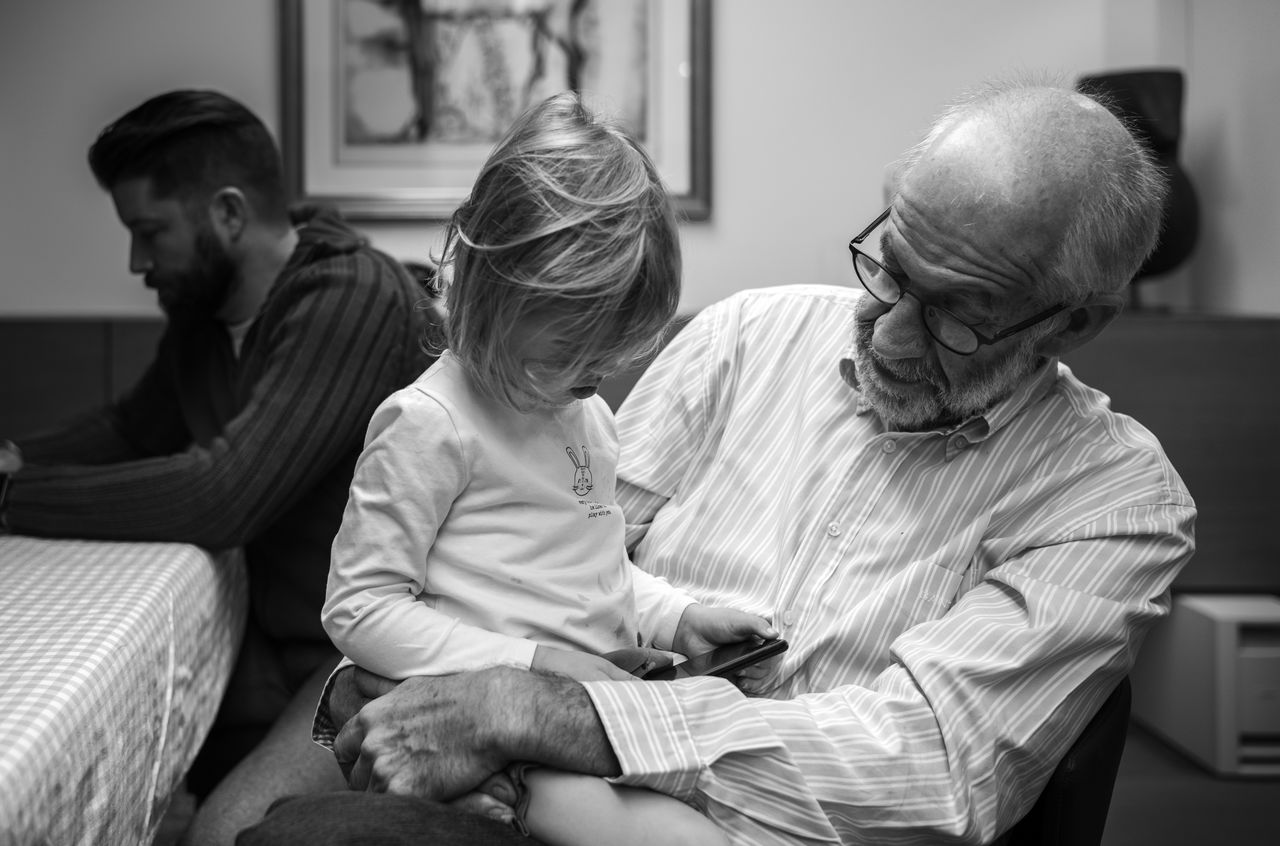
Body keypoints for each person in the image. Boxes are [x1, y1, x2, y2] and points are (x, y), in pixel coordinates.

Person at [239, 79, 1197, 845]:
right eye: (890, 269)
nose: (894, 337)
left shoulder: (1112, 501)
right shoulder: (748, 335)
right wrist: (599, 650)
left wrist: (553, 711)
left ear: (1078, 320)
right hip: (532, 758)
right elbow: (565, 556)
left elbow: (935, 767)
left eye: (958, 314)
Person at [321, 91, 772, 846]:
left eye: (614, 355)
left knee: (712, 798)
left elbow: (591, 561)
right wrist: (535, 663)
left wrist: (678, 616)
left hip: (584, 712)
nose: (597, 379)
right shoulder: (429, 424)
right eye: (573, 354)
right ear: (493, 296)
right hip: (482, 726)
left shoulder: (583, 413)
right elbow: (360, 611)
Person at [0, 90, 430, 844]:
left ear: (228, 213)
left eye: (149, 232)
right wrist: (17, 456)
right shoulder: (207, 320)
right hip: (278, 639)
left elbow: (223, 493)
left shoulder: (351, 296)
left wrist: (11, 494)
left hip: (378, 648)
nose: (137, 261)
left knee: (219, 833)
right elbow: (130, 428)